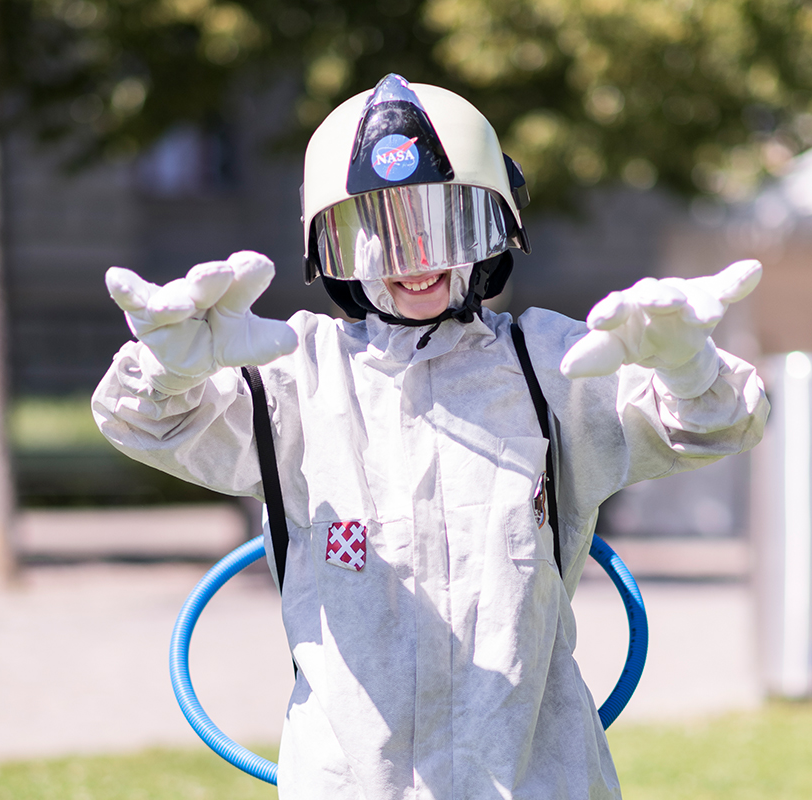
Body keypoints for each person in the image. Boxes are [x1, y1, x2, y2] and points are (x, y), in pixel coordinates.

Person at [93, 75, 768, 799]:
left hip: (536, 779)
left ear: (497, 225)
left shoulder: (552, 366)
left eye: (447, 223)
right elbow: (143, 424)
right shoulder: (293, 372)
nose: (417, 257)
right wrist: (162, 370)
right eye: (380, 228)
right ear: (333, 245)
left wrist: (689, 366)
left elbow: (717, 426)